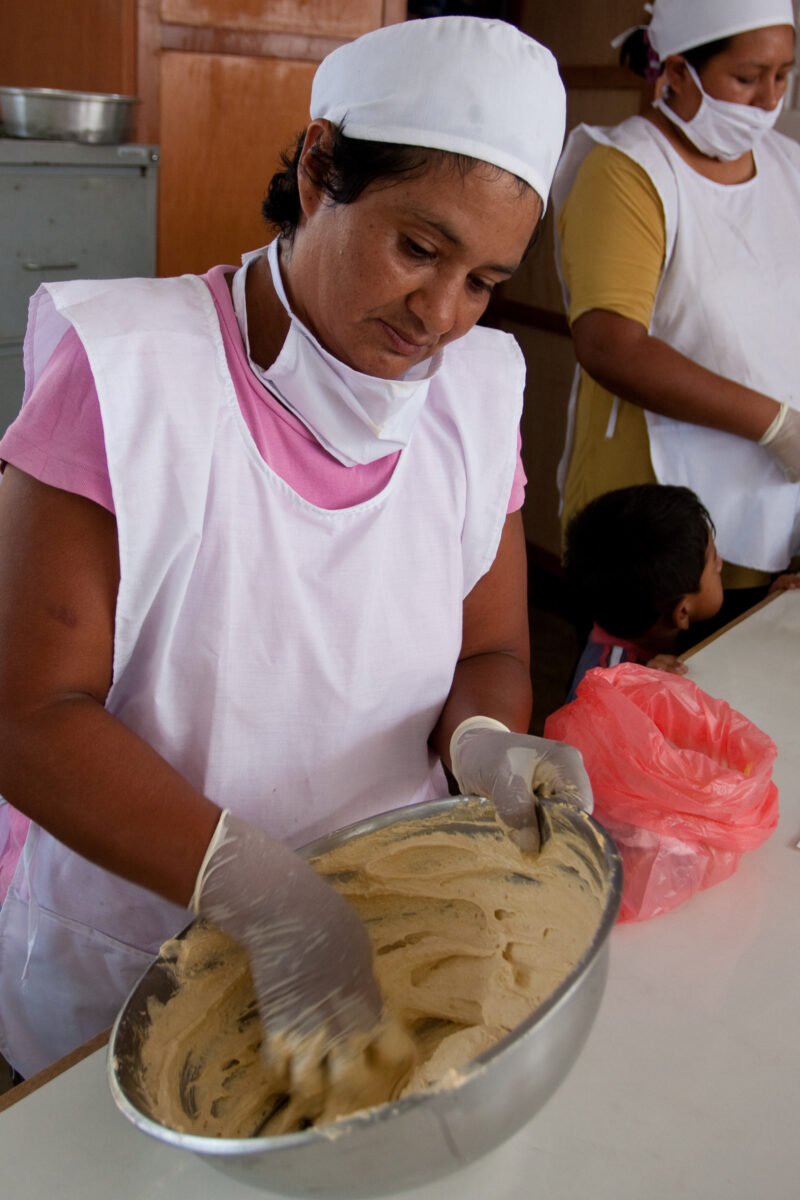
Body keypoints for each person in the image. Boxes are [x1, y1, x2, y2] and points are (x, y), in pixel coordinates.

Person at [0, 16, 592, 1080]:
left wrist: (484, 741)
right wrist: (265, 894)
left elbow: (490, 648)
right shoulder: (134, 380)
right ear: (320, 168)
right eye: (418, 247)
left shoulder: (475, 390)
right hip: (139, 957)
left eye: (483, 282)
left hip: (386, 929)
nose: (440, 315)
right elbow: (28, 716)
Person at [552, 0, 800, 628]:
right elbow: (612, 345)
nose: (768, 99)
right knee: (646, 701)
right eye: (747, 78)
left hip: (773, 501)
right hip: (658, 512)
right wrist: (777, 427)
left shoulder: (788, 168)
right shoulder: (629, 171)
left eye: (784, 73)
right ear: (677, 71)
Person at [563, 484, 724, 699]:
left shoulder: (630, 617)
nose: (721, 564)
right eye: (714, 563)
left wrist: (774, 598)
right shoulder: (613, 691)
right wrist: (649, 695)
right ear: (682, 612)